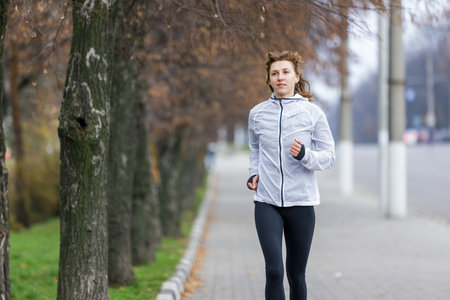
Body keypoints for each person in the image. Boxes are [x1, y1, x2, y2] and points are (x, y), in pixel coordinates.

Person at [247, 51, 335, 300]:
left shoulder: (312, 113)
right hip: (266, 202)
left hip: (302, 203)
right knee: (274, 271)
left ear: (296, 77)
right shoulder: (257, 113)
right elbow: (255, 149)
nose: (280, 77)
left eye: (285, 72)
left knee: (296, 275)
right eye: (274, 73)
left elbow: (329, 156)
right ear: (269, 80)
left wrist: (305, 155)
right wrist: (254, 173)